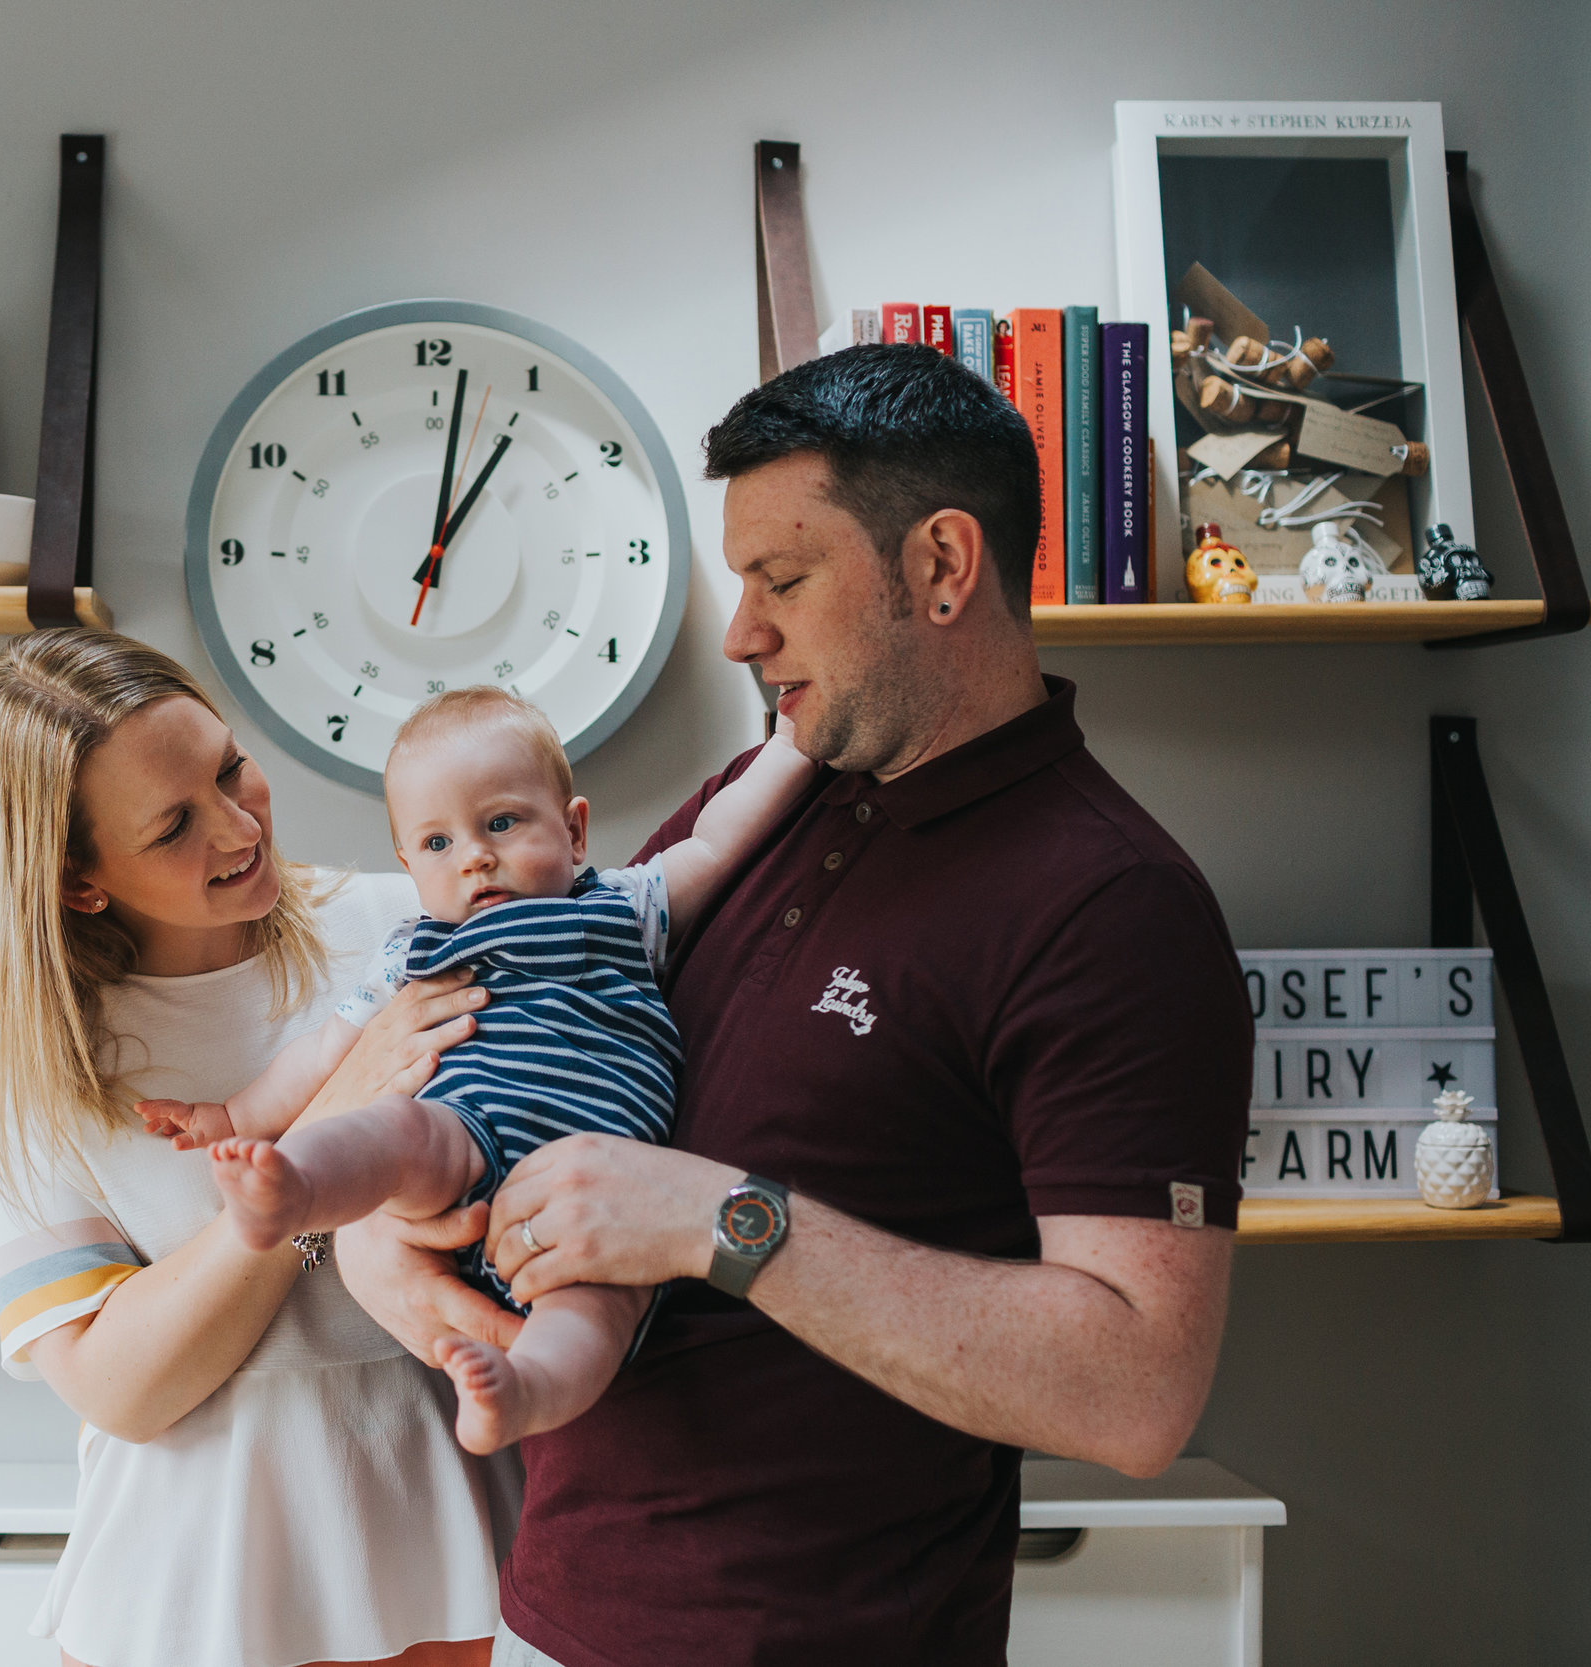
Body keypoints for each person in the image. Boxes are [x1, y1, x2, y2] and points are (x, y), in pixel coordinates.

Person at [337, 343, 1253, 1666]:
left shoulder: (1112, 907)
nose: (738, 630)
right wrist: (379, 1242)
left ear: (942, 565)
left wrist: (725, 1219)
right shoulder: (757, 803)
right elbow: (517, 1056)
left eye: (784, 577)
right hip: (550, 1611)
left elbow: (1137, 1388)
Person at [0, 630, 519, 1667]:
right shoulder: (26, 1059)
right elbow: (121, 1385)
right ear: (78, 881)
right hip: (200, 1578)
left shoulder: (403, 921)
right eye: (173, 826)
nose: (240, 824)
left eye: (229, 766)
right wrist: (324, 1146)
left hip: (462, 1512)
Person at [138, 686, 814, 1454]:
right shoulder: (414, 951)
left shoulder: (625, 905)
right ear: (407, 863)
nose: (474, 856)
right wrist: (230, 1119)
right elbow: (328, 1053)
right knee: (394, 1129)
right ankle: (295, 1190)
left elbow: (716, 844)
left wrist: (792, 748)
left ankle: (525, 1391)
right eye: (437, 844)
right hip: (466, 1136)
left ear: (574, 829)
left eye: (501, 822)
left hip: (602, 1191)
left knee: (599, 1306)